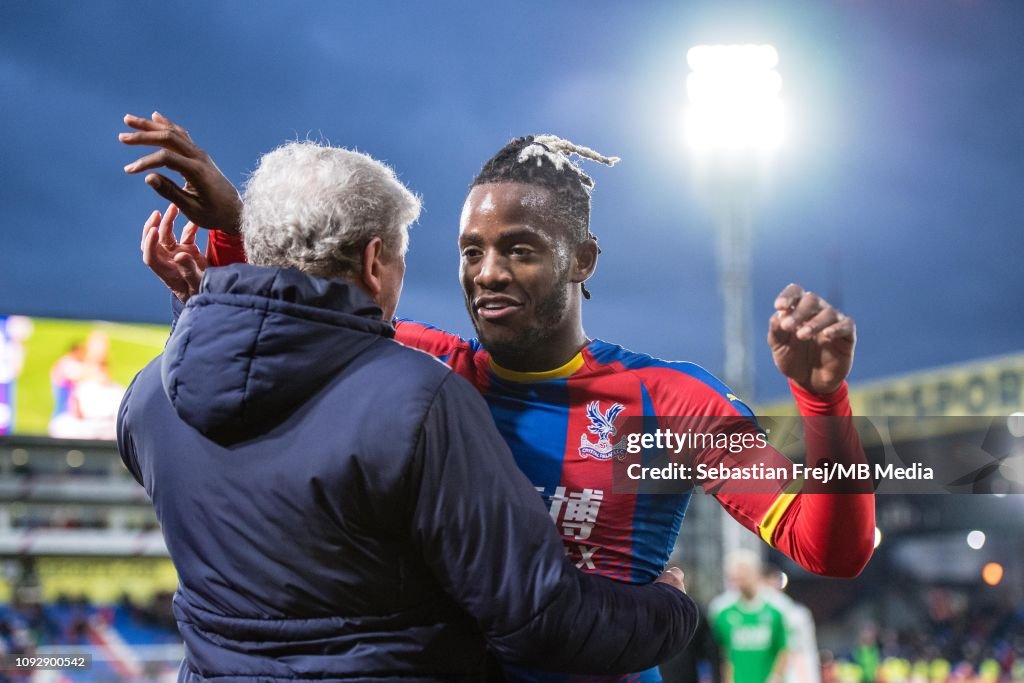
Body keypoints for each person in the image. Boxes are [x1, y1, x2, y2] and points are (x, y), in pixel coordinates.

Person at [121, 114, 875, 683]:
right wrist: (232, 227)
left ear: (581, 259)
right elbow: (305, 299)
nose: (487, 272)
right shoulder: (425, 368)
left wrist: (824, 403)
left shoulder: (663, 402)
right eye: (470, 251)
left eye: (519, 248)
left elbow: (831, 548)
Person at [711, 551, 788, 683]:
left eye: (744, 572)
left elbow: (783, 649)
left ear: (756, 574)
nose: (739, 577)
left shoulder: (776, 609)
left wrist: (776, 677)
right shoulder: (722, 613)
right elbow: (723, 655)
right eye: (736, 574)